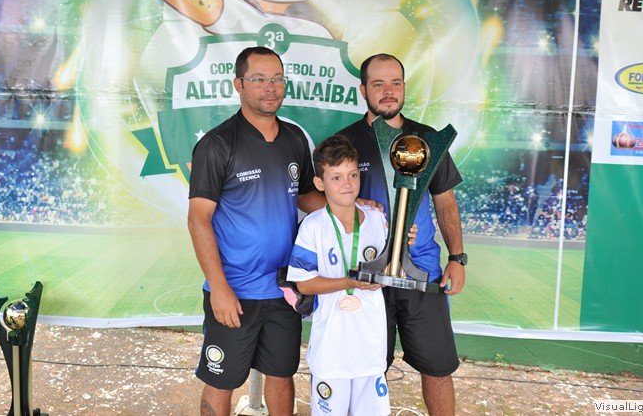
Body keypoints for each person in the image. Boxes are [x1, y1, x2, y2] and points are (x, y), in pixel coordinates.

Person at [187, 46, 325, 416]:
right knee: (222, 381)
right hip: (235, 291)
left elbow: (306, 196)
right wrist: (219, 287)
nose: (270, 87)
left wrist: (357, 211)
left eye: (277, 79)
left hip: (284, 288)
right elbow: (198, 219)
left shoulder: (294, 139)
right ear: (239, 84)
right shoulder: (217, 144)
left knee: (281, 374)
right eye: (259, 79)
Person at [337, 53, 466, 416]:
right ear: (363, 90)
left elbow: (445, 202)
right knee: (365, 372)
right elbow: (318, 198)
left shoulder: (427, 139)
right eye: (378, 84)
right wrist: (360, 208)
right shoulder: (344, 142)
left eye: (395, 83)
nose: (388, 91)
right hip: (365, 277)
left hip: (423, 274)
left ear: (404, 87)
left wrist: (457, 258)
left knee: (438, 368)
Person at [287, 134, 390, 416]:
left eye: (353, 174)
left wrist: (402, 249)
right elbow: (303, 283)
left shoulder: (377, 220)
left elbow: (391, 270)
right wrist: (348, 282)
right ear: (320, 183)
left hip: (370, 350)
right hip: (331, 353)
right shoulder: (313, 227)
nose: (347, 183)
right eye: (336, 177)